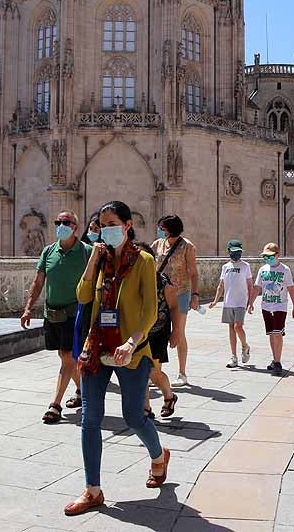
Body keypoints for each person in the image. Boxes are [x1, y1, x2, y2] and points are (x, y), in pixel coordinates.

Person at [64, 201, 169, 516]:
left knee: (133, 417)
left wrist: (131, 342)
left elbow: (150, 310)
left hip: (131, 351)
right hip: (97, 347)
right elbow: (83, 296)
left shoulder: (144, 261)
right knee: (89, 419)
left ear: (127, 225)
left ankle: (158, 455)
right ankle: (92, 490)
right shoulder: (101, 259)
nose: (105, 229)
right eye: (100, 224)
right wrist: (93, 260)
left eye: (111, 223)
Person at [21, 210, 91, 424]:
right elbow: (38, 281)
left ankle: (55, 404)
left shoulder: (86, 252)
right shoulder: (48, 251)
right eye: (58, 222)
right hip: (52, 314)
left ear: (75, 227)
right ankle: (82, 390)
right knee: (65, 357)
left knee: (67, 355)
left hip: (75, 313)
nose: (61, 225)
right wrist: (28, 308)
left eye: (66, 222)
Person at [153, 215, 201, 387]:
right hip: (160, 293)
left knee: (178, 332)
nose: (159, 230)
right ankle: (155, 372)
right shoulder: (158, 244)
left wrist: (195, 295)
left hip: (180, 293)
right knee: (156, 331)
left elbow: (194, 273)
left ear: (171, 228)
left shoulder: (187, 246)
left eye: (162, 227)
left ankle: (182, 373)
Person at [137, 242, 180, 421]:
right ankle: (146, 409)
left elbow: (174, 307)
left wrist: (176, 331)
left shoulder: (163, 282)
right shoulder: (131, 280)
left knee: (152, 372)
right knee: (142, 371)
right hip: (138, 333)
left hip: (157, 332)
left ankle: (169, 396)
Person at [208, 239, 255, 368]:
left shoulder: (245, 266)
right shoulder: (225, 267)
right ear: (228, 252)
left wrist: (250, 303)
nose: (237, 254)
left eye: (239, 252)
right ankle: (233, 357)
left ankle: (245, 346)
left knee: (237, 327)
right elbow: (221, 286)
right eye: (234, 252)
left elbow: (250, 286)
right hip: (228, 302)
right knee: (231, 328)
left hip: (241, 302)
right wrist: (215, 301)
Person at [254, 243, 294, 375]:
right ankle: (274, 359)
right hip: (266, 306)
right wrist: (250, 302)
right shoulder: (263, 270)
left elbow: (291, 289)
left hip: (280, 306)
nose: (267, 259)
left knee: (277, 333)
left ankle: (278, 362)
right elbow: (257, 287)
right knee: (271, 334)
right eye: (265, 257)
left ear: (277, 255)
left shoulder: (285, 270)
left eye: (270, 256)